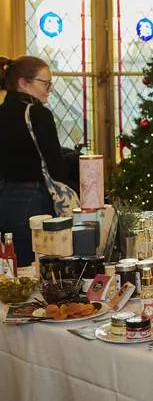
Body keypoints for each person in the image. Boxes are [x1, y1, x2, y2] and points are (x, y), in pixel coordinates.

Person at [0, 56, 66, 267]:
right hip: (33, 200)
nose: (49, 89)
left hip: (4, 197)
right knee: (36, 264)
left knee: (11, 264)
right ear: (23, 83)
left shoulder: (2, 112)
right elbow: (55, 165)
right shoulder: (37, 114)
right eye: (45, 83)